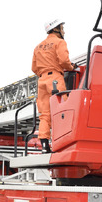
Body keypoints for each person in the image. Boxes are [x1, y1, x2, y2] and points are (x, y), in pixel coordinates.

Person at [31, 18, 78, 153]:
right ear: (56, 29)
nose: (64, 30)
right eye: (62, 28)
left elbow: (34, 68)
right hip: (55, 80)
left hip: (41, 81)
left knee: (45, 115)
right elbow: (64, 61)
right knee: (60, 111)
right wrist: (70, 67)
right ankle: (61, 144)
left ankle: (45, 146)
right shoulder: (60, 42)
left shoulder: (38, 47)